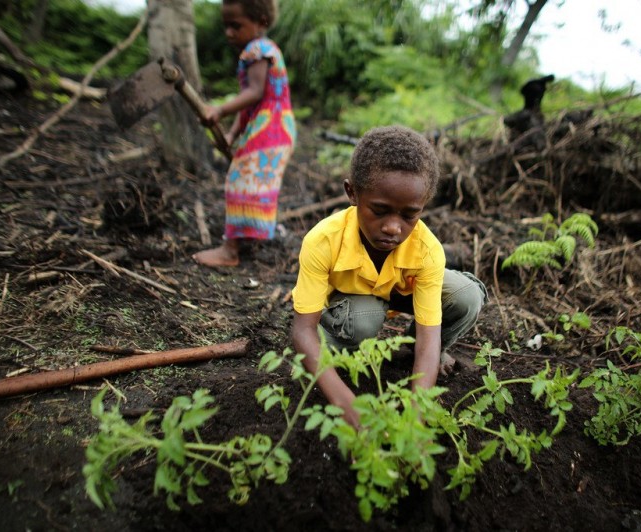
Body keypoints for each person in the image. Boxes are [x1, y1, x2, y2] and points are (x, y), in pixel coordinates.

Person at [291, 125, 487, 428]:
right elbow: (303, 330)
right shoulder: (324, 241)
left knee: (467, 296)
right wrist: (344, 400)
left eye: (409, 215)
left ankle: (413, 354)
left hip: (400, 293)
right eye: (380, 210)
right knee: (362, 320)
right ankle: (334, 351)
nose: (393, 227)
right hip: (351, 304)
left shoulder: (427, 250)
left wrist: (416, 414)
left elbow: (429, 332)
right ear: (352, 192)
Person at [194, 0, 295, 267]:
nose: (229, 32)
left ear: (260, 21)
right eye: (226, 26)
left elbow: (255, 93)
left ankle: (230, 250)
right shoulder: (259, 49)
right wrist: (231, 135)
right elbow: (249, 105)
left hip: (271, 129)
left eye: (235, 26)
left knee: (241, 181)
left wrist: (219, 109)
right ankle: (251, 237)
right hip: (272, 128)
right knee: (256, 184)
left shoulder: (258, 49)